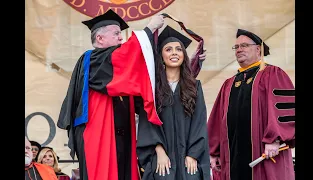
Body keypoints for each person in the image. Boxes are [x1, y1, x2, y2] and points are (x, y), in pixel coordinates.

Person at [57, 9, 164, 180]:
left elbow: (146, 85)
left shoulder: (120, 72)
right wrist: (148, 30)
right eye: (116, 33)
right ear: (99, 38)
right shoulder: (91, 60)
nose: (121, 38)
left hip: (123, 137)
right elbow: (123, 56)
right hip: (98, 135)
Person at [207, 29, 295, 180]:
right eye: (237, 47)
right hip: (233, 155)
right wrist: (214, 152)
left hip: (265, 153)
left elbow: (284, 109)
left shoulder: (273, 74)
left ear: (258, 49)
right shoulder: (229, 84)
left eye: (244, 45)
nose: (239, 49)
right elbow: (216, 120)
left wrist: (275, 140)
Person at [136, 25, 211, 180]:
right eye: (168, 49)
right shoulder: (152, 89)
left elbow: (199, 122)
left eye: (178, 49)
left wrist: (193, 154)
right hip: (162, 153)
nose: (174, 53)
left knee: (191, 176)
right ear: (161, 56)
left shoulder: (194, 86)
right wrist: (159, 151)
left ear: (184, 55)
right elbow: (147, 122)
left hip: (189, 155)